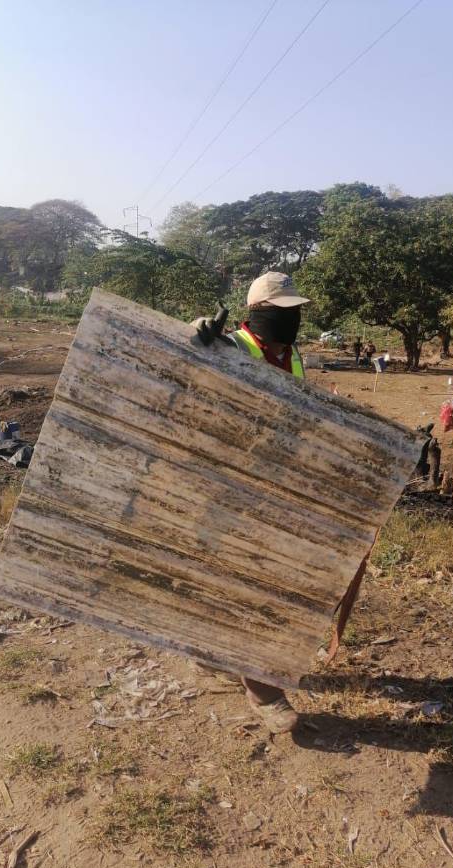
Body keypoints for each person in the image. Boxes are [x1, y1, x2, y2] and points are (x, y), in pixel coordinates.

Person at [193, 272, 310, 733]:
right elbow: (189, 360)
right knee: (248, 584)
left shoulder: (292, 356)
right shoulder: (231, 346)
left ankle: (209, 650)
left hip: (275, 488)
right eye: (280, 312)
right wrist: (195, 331)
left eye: (295, 311)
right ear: (255, 312)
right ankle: (263, 689)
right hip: (224, 488)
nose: (291, 319)